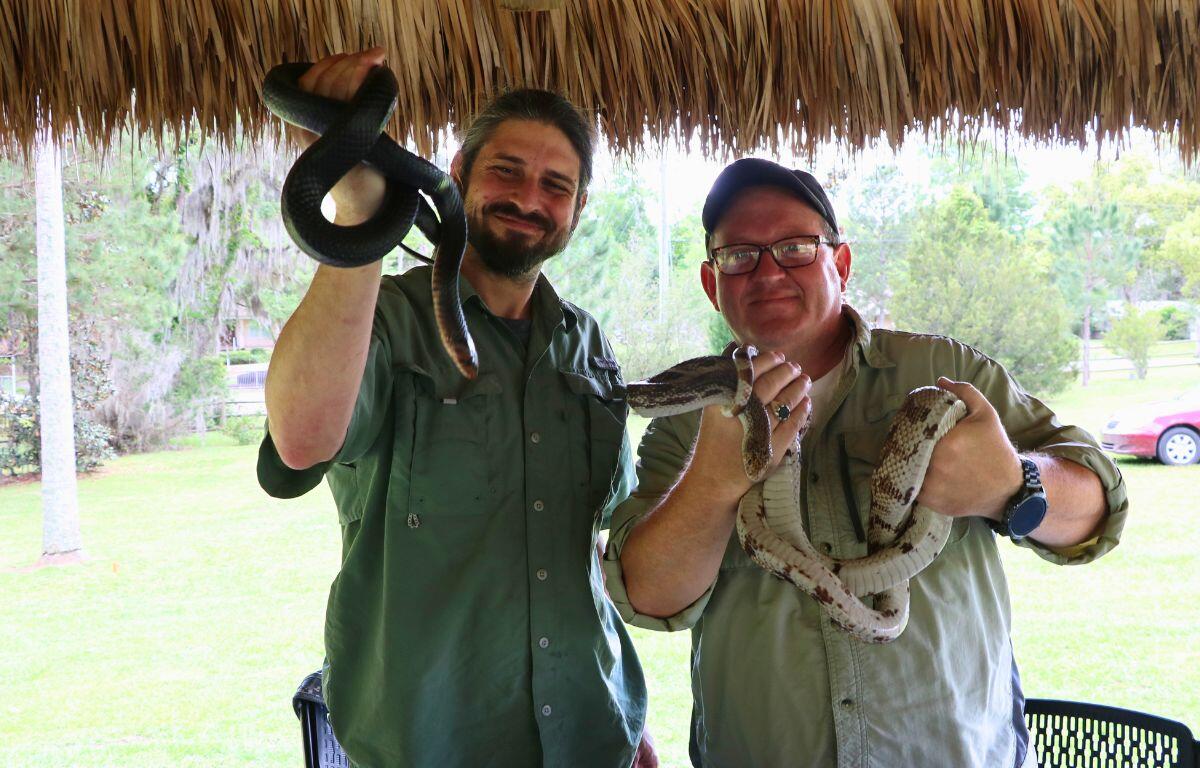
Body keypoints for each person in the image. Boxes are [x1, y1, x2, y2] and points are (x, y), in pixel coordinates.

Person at [602, 158, 1128, 768]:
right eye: (739, 255)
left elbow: (1100, 507)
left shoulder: (946, 375)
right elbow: (649, 597)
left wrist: (1015, 484)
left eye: (796, 248)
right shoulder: (687, 419)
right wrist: (714, 481)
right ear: (710, 280)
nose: (767, 272)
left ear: (841, 264)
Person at [259, 48, 654, 768]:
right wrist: (358, 214)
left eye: (556, 184)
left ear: (579, 206)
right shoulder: (379, 316)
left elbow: (586, 546)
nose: (529, 198)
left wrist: (626, 719)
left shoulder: (586, 345)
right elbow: (300, 439)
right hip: (429, 744)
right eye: (506, 170)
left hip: (595, 740)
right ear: (460, 171)